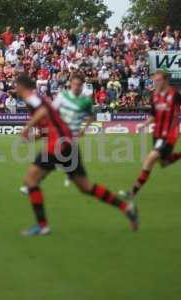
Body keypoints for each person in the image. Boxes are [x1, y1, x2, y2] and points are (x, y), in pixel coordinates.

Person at [15, 74, 139, 236]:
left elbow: (44, 112)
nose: (14, 88)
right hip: (67, 143)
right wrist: (33, 137)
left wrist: (26, 128)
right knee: (85, 186)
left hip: (58, 144)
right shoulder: (39, 98)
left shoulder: (32, 98)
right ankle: (126, 207)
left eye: (15, 86)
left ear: (21, 86)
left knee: (31, 179)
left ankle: (42, 225)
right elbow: (50, 124)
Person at [119, 70, 181, 200]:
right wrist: (144, 125)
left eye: (158, 80)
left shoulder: (176, 93)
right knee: (164, 162)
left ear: (165, 80)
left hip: (170, 133)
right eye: (154, 80)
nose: (156, 83)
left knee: (150, 159)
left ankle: (132, 193)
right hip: (157, 134)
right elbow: (153, 115)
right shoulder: (155, 96)